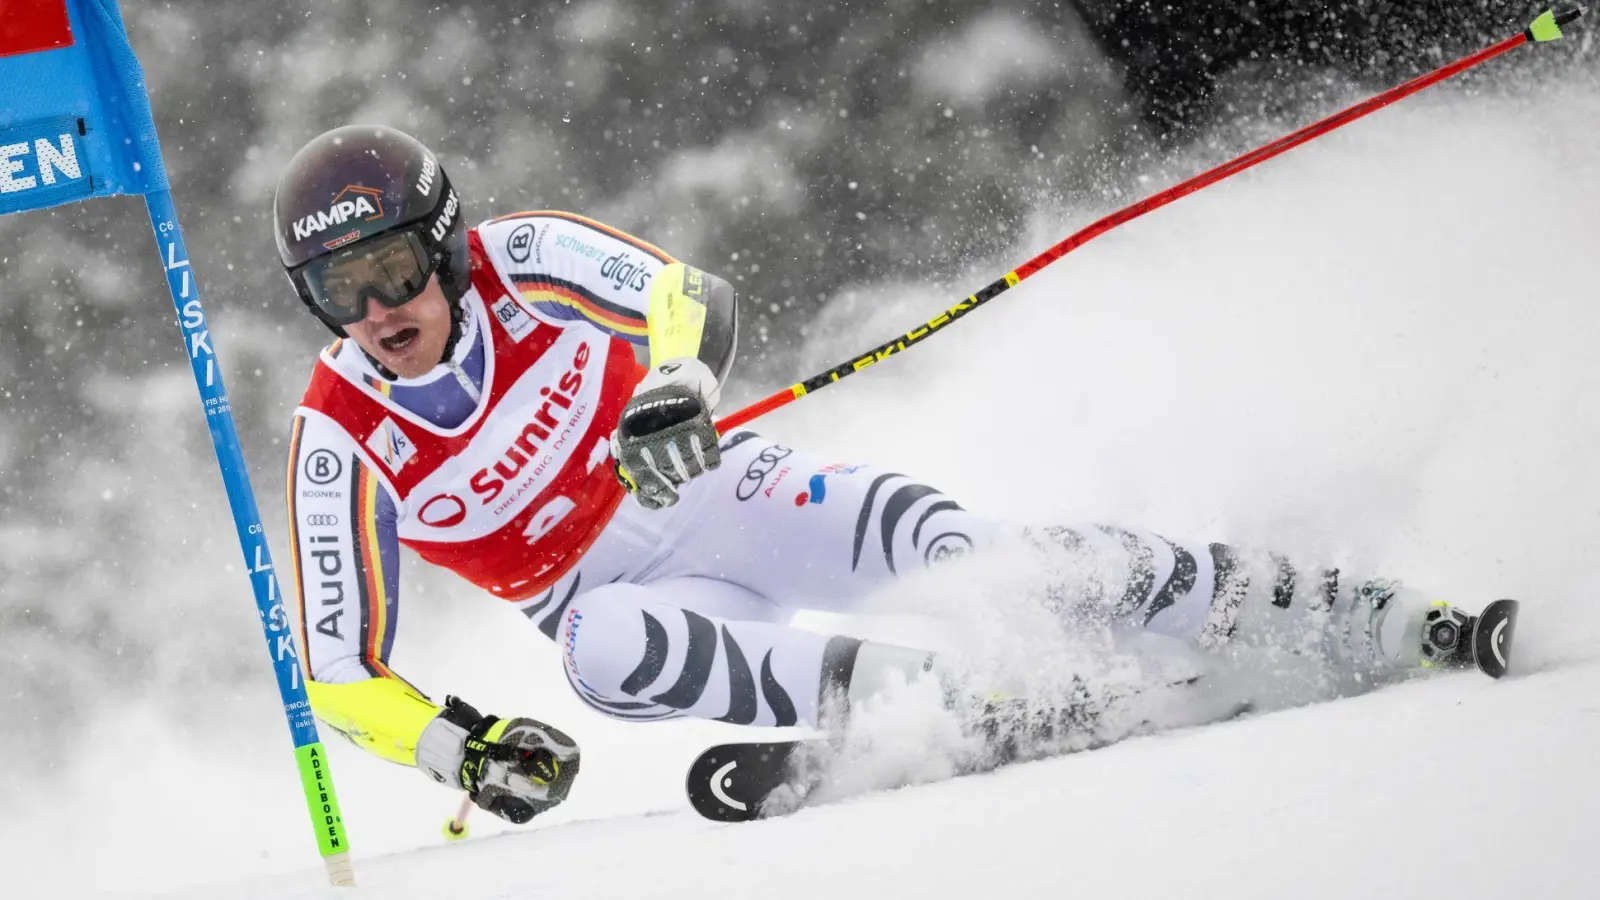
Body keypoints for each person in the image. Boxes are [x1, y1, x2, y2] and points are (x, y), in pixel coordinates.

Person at [276, 125, 1479, 825]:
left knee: (977, 560)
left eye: (394, 269)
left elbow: (687, 296)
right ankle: (944, 700)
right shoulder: (340, 437)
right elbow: (337, 674)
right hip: (626, 603)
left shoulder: (521, 256)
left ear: (444, 246)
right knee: (600, 651)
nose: (378, 311)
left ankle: (1328, 609)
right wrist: (463, 752)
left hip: (718, 498)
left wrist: (678, 384)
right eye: (341, 291)